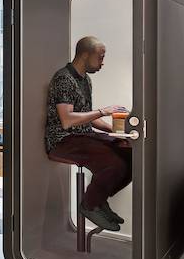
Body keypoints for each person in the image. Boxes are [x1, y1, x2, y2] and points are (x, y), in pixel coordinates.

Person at [45, 36, 132, 231]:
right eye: (100, 57)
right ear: (85, 55)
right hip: (63, 140)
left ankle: (99, 200)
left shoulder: (86, 80)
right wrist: (103, 111)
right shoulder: (63, 79)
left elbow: (86, 117)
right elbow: (67, 120)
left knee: (132, 154)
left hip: (84, 136)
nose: (103, 62)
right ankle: (89, 205)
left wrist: (116, 133)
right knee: (114, 164)